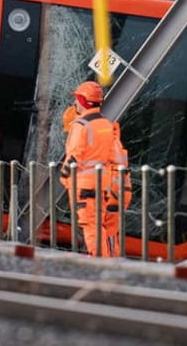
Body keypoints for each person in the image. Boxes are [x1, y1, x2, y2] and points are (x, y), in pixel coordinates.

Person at [60, 80, 131, 257]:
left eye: (77, 99)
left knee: (92, 227)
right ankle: (112, 263)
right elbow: (113, 158)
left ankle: (101, 266)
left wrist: (64, 177)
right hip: (112, 185)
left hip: (86, 185)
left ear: (82, 101)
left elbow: (74, 156)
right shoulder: (107, 126)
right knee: (108, 230)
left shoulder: (81, 125)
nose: (75, 103)